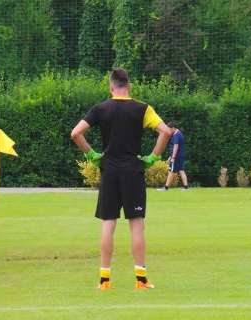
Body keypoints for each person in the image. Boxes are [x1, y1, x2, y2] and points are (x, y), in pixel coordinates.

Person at [71, 68, 172, 290]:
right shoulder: (143, 109)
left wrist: (92, 155)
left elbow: (76, 133)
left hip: (109, 170)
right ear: (130, 86)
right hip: (133, 172)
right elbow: (166, 132)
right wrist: (152, 157)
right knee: (136, 225)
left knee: (109, 223)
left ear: (111, 87)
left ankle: (104, 280)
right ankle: (141, 279)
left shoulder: (101, 108)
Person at [157, 122, 189, 191]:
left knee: (171, 171)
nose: (169, 131)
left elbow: (176, 146)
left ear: (173, 128)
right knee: (181, 170)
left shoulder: (176, 135)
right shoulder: (179, 134)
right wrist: (170, 157)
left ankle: (166, 188)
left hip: (176, 157)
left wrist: (173, 157)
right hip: (180, 156)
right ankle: (186, 187)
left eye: (169, 129)